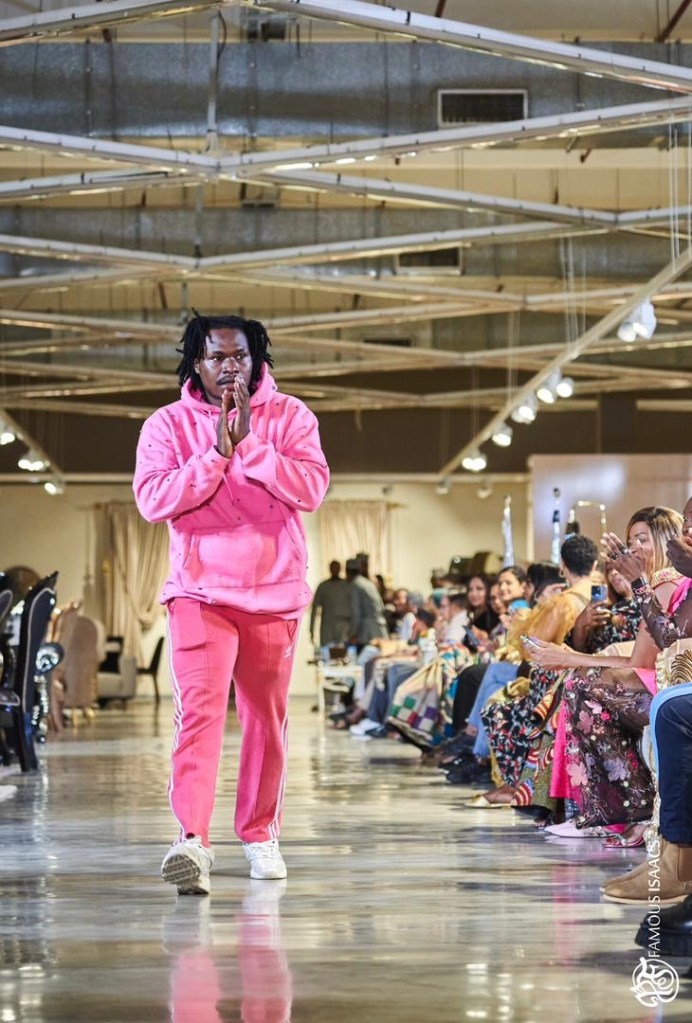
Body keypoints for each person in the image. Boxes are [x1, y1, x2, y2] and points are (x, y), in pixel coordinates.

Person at [133, 311, 329, 894]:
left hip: (273, 594)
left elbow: (311, 489)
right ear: (196, 363)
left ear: (256, 358)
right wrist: (216, 454)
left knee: (266, 721)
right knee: (198, 717)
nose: (229, 367)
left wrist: (251, 445)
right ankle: (192, 841)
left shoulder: (291, 416)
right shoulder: (166, 425)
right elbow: (153, 500)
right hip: (199, 593)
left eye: (239, 355)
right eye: (216, 357)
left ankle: (260, 833)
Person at [309, 560, 351, 649]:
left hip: (343, 628)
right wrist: (311, 630)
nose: (335, 570)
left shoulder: (347, 586)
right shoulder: (323, 586)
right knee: (327, 653)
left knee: (343, 653)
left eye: (336, 568)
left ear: (340, 569)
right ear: (330, 569)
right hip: (327, 629)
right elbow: (314, 608)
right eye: (333, 568)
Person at [346, 558, 388, 648]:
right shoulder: (367, 583)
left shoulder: (356, 585)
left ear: (347, 572)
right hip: (379, 628)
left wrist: (353, 633)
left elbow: (356, 613)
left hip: (367, 633)